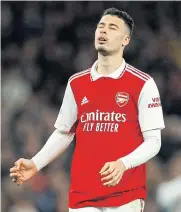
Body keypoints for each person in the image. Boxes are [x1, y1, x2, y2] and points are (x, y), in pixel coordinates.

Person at [10, 8, 165, 212]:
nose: (103, 31)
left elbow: (154, 141)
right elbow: (64, 132)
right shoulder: (77, 83)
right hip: (84, 195)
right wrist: (36, 163)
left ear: (125, 40)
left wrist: (123, 163)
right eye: (100, 27)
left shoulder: (143, 83)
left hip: (125, 196)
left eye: (112, 27)